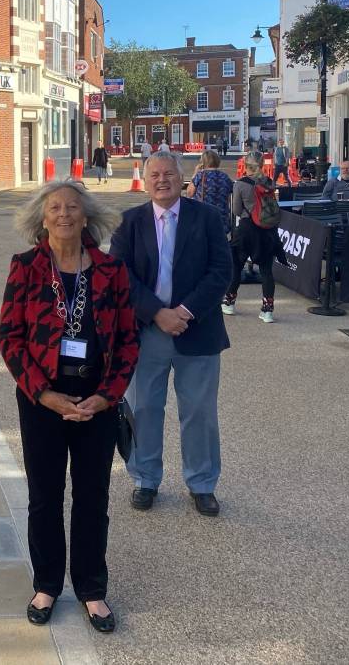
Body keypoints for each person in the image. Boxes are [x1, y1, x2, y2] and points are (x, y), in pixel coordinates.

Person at [0, 180, 139, 633]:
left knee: (92, 496)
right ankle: (45, 584)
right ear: (43, 217)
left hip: (95, 399)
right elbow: (10, 338)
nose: (64, 214)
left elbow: (127, 339)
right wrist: (44, 393)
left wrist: (108, 396)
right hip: (42, 398)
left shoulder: (110, 270)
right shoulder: (25, 268)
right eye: (55, 207)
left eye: (72, 207)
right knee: (44, 496)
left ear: (86, 216)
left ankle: (92, 589)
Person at [110, 151, 233, 517]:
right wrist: (156, 313)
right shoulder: (130, 222)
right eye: (154, 175)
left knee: (198, 411)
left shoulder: (207, 218)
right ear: (145, 181)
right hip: (148, 332)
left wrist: (185, 311)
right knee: (145, 408)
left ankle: (202, 483)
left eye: (168, 173)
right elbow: (119, 275)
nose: (161, 180)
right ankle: (145, 479)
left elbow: (220, 270)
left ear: (182, 178)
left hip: (197, 330)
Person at [223, 153, 282, 324]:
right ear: (262, 164)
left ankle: (229, 302)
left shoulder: (241, 184)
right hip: (267, 230)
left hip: (247, 229)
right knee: (266, 270)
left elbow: (236, 210)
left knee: (237, 265)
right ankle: (267, 310)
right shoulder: (269, 182)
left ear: (246, 165)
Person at [184, 150, 234, 233]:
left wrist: (195, 173)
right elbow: (229, 195)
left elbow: (189, 193)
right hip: (221, 219)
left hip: (204, 220)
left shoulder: (200, 175)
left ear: (203, 162)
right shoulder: (225, 177)